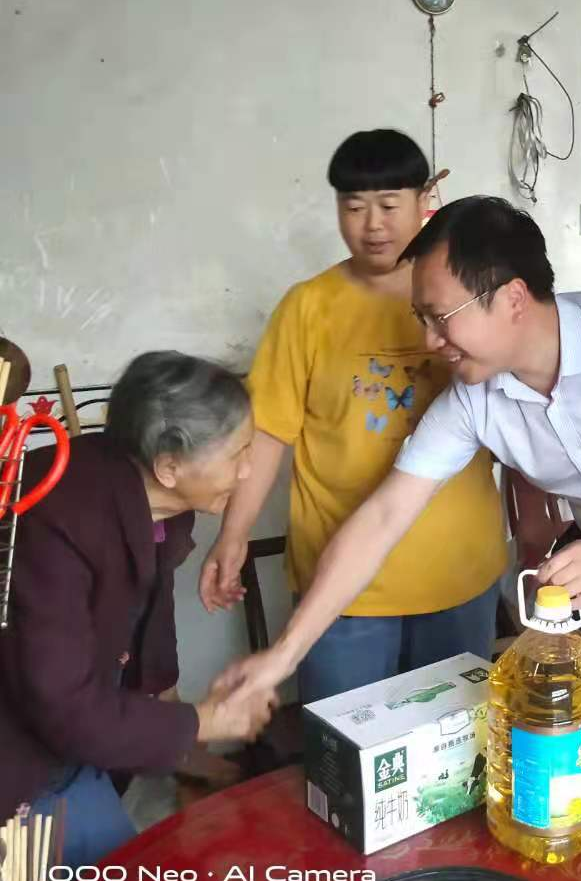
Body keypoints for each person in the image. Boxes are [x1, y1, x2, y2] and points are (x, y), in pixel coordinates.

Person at [212, 195, 581, 766]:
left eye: (439, 317)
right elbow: (385, 516)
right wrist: (283, 655)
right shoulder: (474, 399)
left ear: (513, 298)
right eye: (421, 319)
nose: (429, 340)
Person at [200, 130, 507, 702]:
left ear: (424, 202)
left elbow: (520, 405)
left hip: (459, 574)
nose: (373, 225)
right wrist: (233, 534)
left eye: (389, 205)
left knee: (459, 742)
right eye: (354, 206)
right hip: (341, 588)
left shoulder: (465, 299)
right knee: (343, 744)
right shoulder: (308, 307)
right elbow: (268, 431)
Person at [0, 352, 277, 867]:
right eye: (237, 454)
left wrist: (181, 727)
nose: (247, 471)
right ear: (169, 467)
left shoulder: (157, 505)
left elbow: (149, 615)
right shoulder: (54, 518)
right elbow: (61, 706)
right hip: (18, 761)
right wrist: (200, 723)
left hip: (75, 748)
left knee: (125, 878)